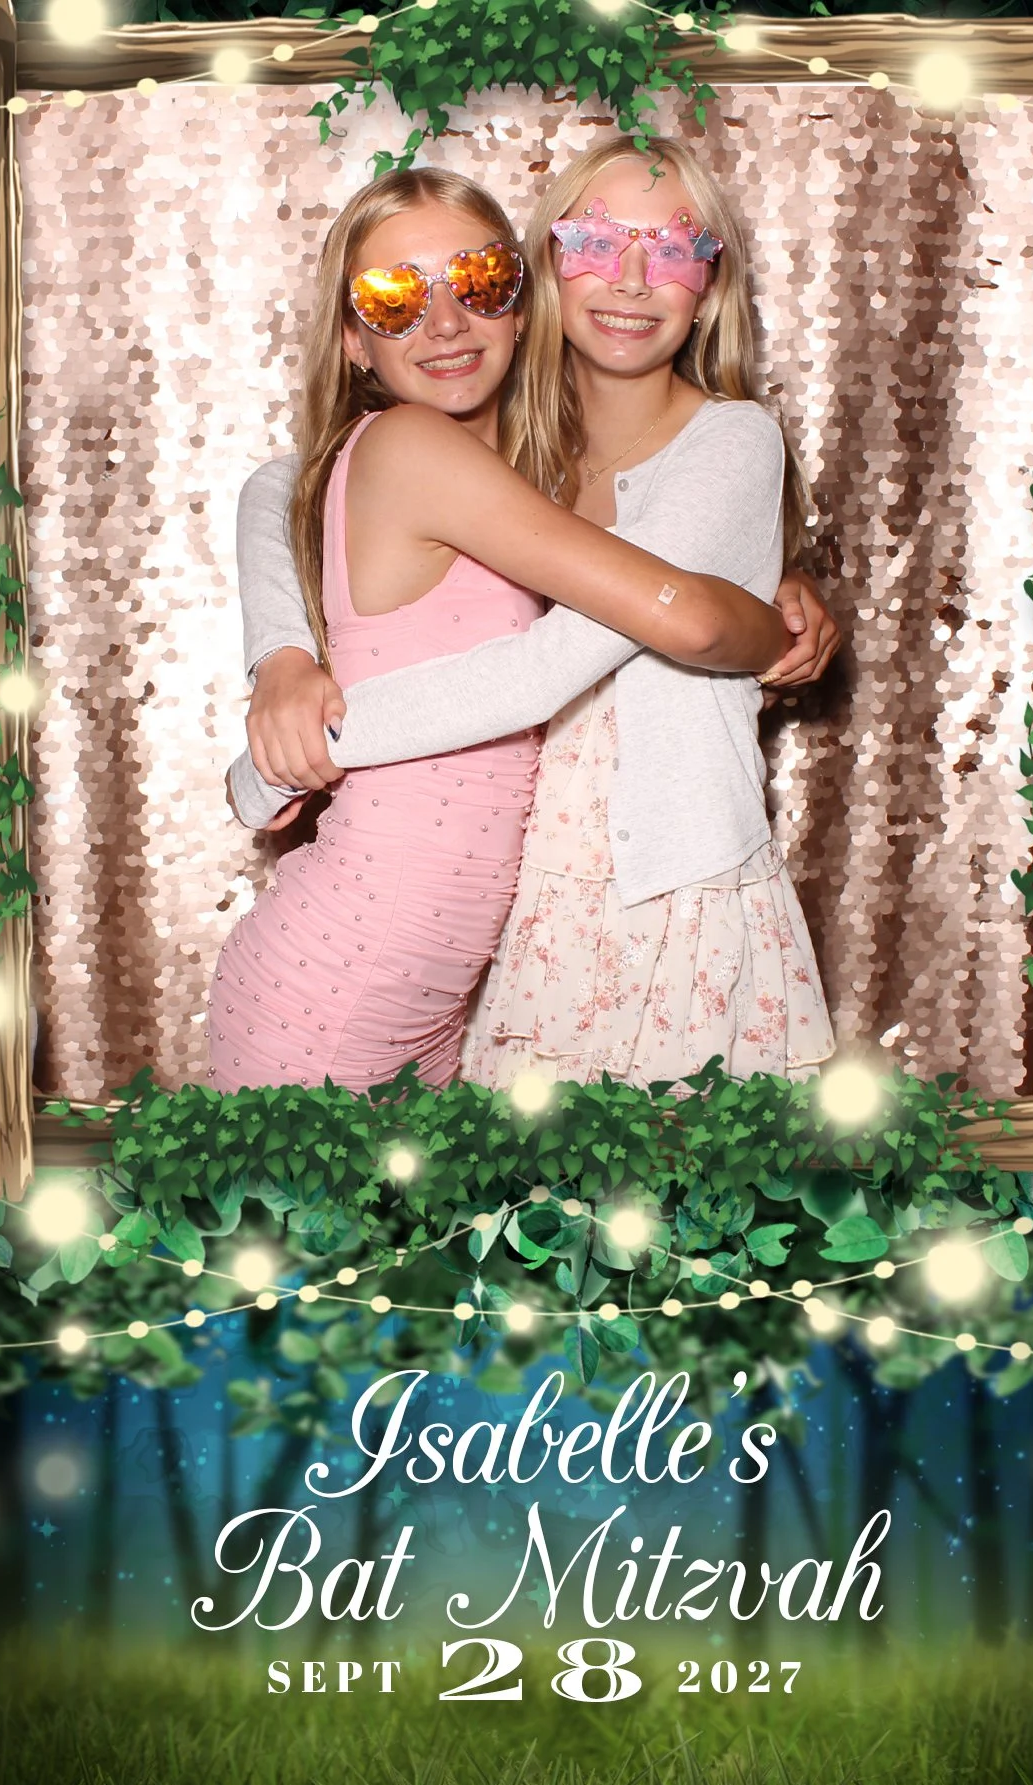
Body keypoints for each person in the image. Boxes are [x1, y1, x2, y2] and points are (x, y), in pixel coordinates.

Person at [225, 136, 841, 1090]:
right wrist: (281, 660)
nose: (441, 320)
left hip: (605, 919)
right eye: (393, 296)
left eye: (476, 277)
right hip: (460, 943)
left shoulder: (543, 449)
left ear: (514, 297)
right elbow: (282, 483)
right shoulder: (485, 447)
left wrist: (764, 599)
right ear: (554, 266)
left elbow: (659, 603)